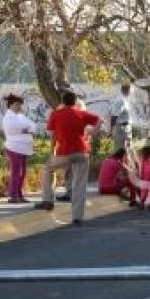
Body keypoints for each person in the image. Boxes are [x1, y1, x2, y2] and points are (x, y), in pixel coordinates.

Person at [35, 91, 102, 224]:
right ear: (75, 102)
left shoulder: (55, 114)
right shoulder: (81, 113)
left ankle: (48, 200)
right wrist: (93, 132)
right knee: (79, 184)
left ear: (63, 101)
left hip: (63, 153)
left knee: (47, 169)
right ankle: (77, 217)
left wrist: (52, 151)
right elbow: (100, 120)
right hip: (81, 153)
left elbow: (53, 136)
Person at [2, 93, 36, 204]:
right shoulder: (8, 117)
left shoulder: (20, 116)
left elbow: (33, 126)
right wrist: (25, 128)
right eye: (17, 104)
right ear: (10, 105)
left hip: (24, 148)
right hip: (14, 147)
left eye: (20, 105)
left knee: (23, 173)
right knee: (16, 172)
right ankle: (13, 196)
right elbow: (14, 128)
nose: (19, 107)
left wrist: (26, 129)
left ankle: (19, 194)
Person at [109, 83, 133, 152]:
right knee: (122, 149)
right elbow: (114, 115)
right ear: (128, 90)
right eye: (131, 90)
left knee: (128, 148)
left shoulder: (125, 99)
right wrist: (112, 130)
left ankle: (134, 162)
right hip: (122, 127)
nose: (132, 92)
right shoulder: (121, 100)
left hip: (126, 127)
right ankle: (122, 162)